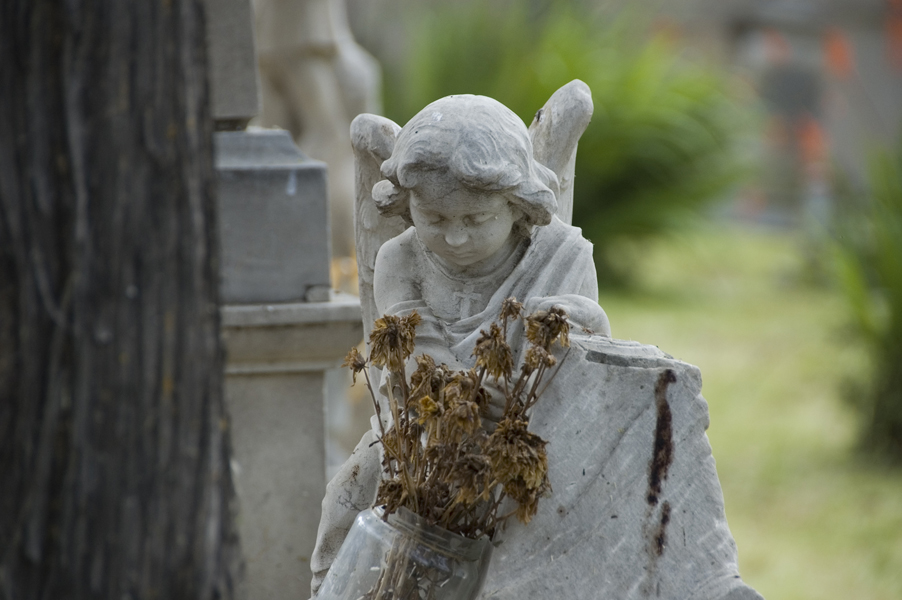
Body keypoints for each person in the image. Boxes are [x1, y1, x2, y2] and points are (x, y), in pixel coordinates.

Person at [310, 94, 760, 600]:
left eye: (476, 220)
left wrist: (553, 336)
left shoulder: (562, 254)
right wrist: (465, 402)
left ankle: (701, 580)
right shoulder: (401, 258)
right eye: (434, 219)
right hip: (422, 430)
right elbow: (411, 351)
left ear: (519, 205)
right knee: (350, 488)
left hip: (533, 431)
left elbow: (589, 353)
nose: (455, 237)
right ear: (406, 206)